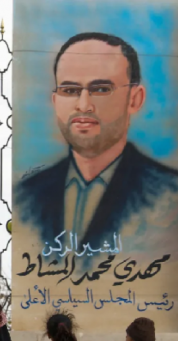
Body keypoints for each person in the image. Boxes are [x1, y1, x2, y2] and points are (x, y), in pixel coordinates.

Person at [16, 32, 178, 249]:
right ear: (55, 101)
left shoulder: (170, 195)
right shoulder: (23, 198)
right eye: (70, 90)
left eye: (101, 89)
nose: (84, 105)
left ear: (134, 99)